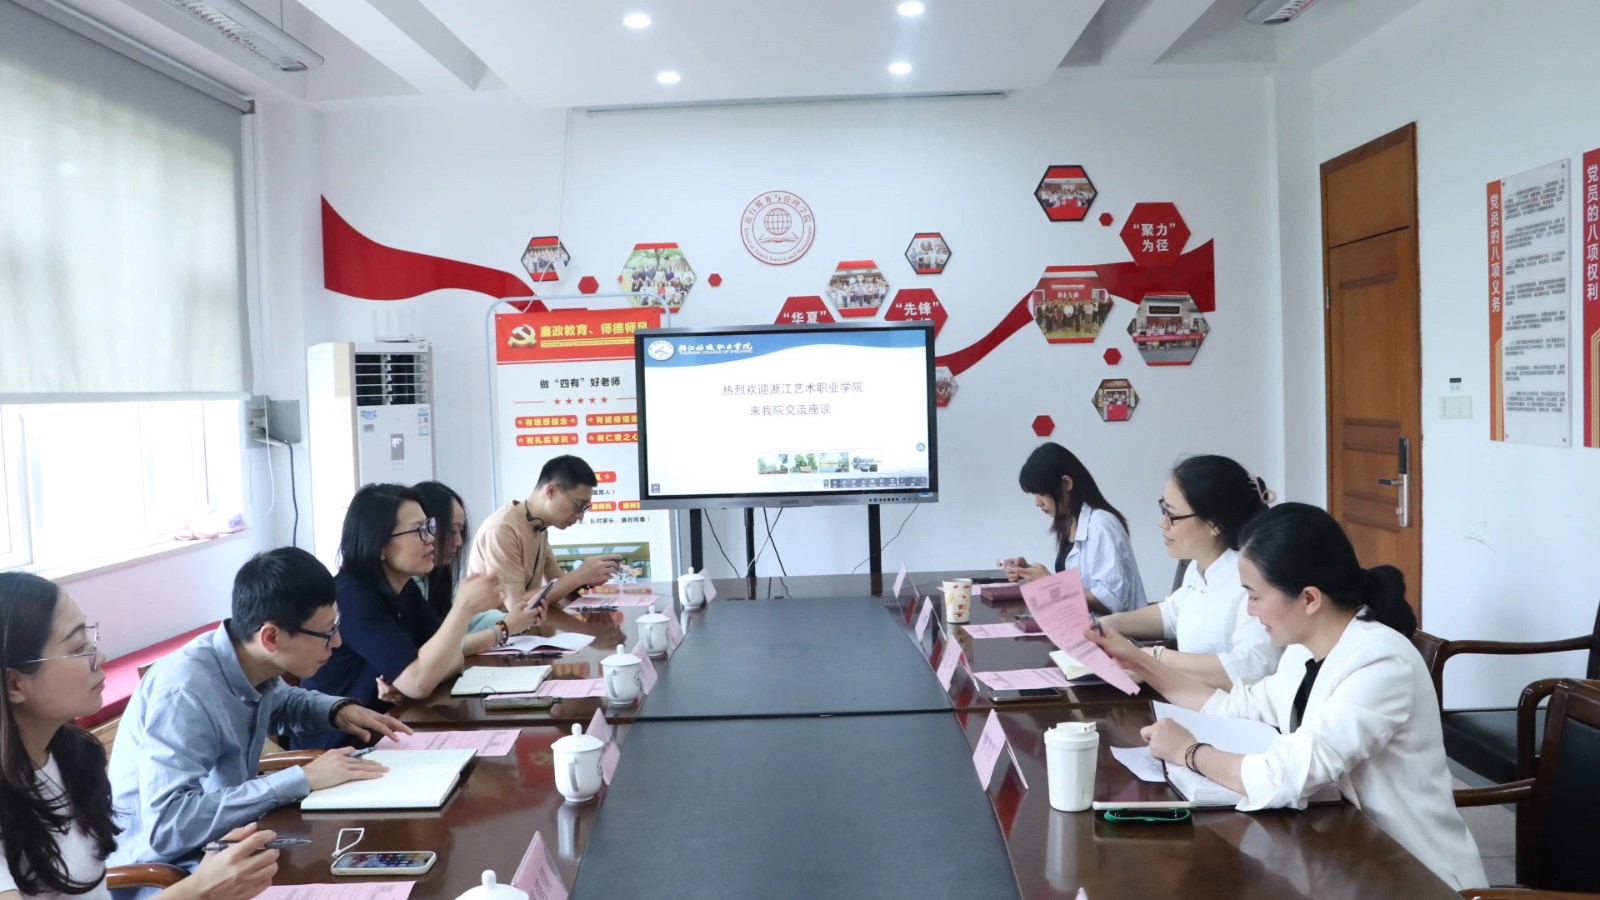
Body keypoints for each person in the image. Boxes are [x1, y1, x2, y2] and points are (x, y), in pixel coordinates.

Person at [1086, 503, 1487, 890]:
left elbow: (1290, 774)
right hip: (1344, 850)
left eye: (1255, 596)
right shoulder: (1302, 651)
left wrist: (1191, 753)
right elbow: (1235, 708)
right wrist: (1138, 661)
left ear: (1309, 599)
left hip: (1412, 872)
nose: (1250, 611)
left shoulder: (1380, 662)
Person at [107, 548, 411, 888]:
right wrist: (301, 779)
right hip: (167, 876)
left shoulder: (247, 659)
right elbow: (169, 825)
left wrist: (337, 710)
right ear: (271, 637)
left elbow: (283, 702)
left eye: (337, 625)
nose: (338, 642)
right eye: (327, 632)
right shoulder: (185, 690)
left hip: (229, 845)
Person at [1, 571, 280, 900]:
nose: (99, 658)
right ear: (15, 684)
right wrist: (199, 889)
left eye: (91, 641)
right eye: (78, 648)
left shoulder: (72, 756)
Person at [295, 485, 537, 744]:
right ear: (379, 545)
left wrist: (418, 676)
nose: (431, 538)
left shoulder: (404, 587)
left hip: (392, 731)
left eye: (429, 527)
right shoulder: (352, 598)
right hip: (340, 749)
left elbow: (451, 658)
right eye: (418, 530)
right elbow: (420, 682)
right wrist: (463, 609)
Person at [1096, 455, 1281, 689]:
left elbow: (1251, 667)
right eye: (1163, 508)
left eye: (1172, 515)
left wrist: (1154, 659)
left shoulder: (1251, 579)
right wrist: (1106, 624)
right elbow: (1172, 613)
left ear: (1214, 524)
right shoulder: (1199, 565)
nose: (1162, 523)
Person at [465, 455, 622, 616]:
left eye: (584, 508)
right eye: (578, 506)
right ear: (551, 491)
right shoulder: (502, 529)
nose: (580, 516)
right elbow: (516, 606)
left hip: (523, 627)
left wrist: (590, 577)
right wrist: (580, 575)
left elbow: (559, 581)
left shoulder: (538, 525)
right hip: (494, 629)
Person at [1001, 442, 1147, 614]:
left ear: (1066, 484)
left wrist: (1050, 582)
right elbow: (1079, 587)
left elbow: (1114, 600)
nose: (1037, 502)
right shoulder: (1070, 521)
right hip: (1083, 624)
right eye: (1034, 494)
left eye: (1042, 493)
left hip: (1114, 628)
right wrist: (1029, 572)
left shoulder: (1101, 524)